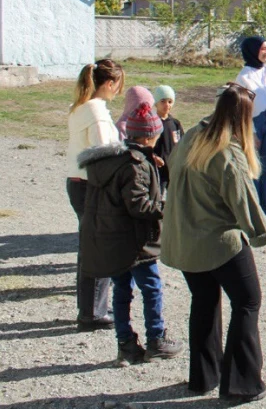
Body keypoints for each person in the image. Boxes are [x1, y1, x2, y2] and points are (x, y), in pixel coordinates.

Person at [162, 82, 266, 402]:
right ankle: (241, 383)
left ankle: (203, 377)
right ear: (243, 117)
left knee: (205, 302)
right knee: (248, 302)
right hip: (219, 243)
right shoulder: (226, 151)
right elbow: (246, 202)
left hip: (184, 242)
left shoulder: (193, 134)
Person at [78, 103, 184, 366]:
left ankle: (125, 345)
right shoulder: (135, 165)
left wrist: (152, 163)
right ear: (149, 136)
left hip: (113, 239)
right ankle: (156, 339)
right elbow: (139, 205)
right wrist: (169, 207)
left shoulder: (114, 159)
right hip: (137, 241)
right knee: (152, 288)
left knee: (122, 290)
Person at [67, 59, 124, 331]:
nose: (118, 91)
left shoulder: (80, 107)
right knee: (98, 248)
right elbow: (104, 156)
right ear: (109, 84)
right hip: (93, 186)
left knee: (89, 246)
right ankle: (92, 311)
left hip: (78, 183)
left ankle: (91, 307)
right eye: (118, 85)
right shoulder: (97, 112)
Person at [234, 36, 266, 220]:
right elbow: (242, 108)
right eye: (263, 48)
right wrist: (251, 133)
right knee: (254, 166)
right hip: (254, 123)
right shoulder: (244, 76)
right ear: (253, 51)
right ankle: (255, 211)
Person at [152, 85, 183, 194]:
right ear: (156, 103)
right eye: (163, 101)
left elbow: (181, 144)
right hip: (159, 169)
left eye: (170, 102)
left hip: (173, 168)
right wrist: (154, 157)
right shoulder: (152, 123)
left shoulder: (175, 123)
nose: (167, 105)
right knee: (159, 196)